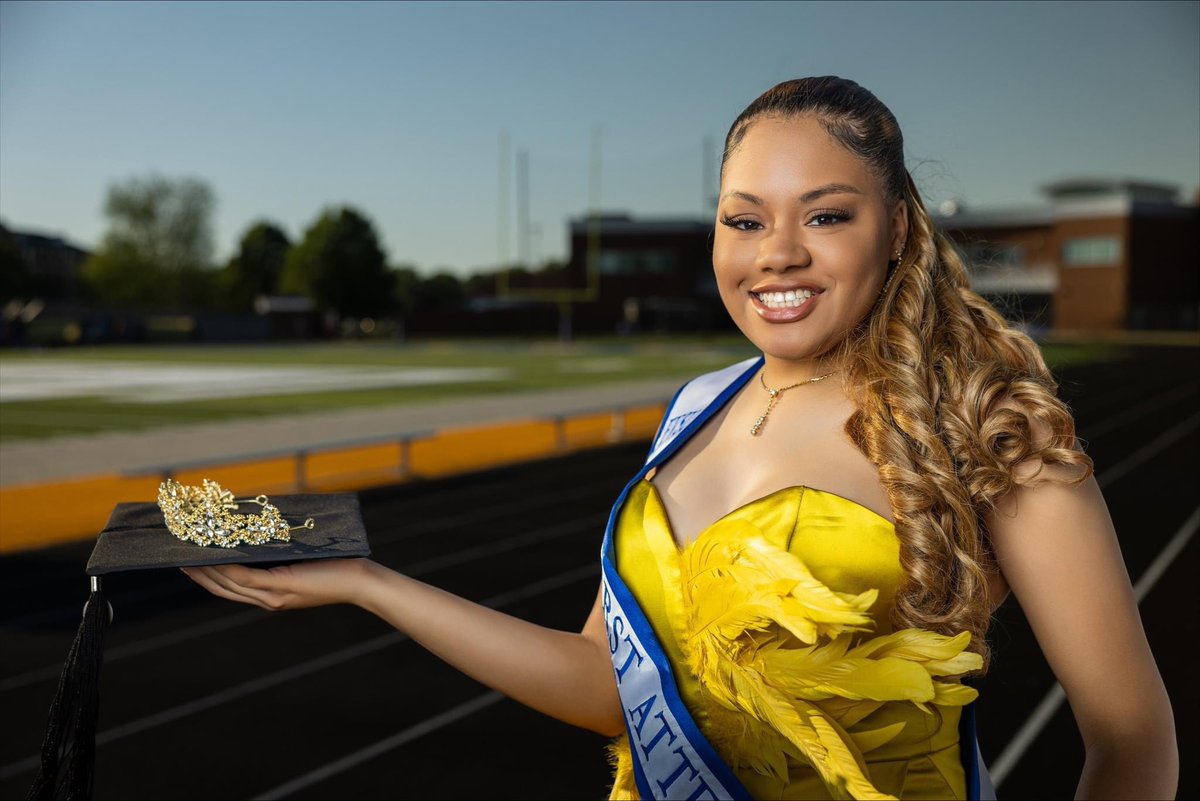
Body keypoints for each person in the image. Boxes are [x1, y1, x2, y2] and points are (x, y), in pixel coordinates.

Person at [182, 77, 1178, 800]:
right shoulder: (693, 409)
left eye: (825, 215)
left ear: (899, 232)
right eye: (744, 220)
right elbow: (611, 692)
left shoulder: (987, 431)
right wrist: (372, 584)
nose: (777, 253)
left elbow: (1134, 745)